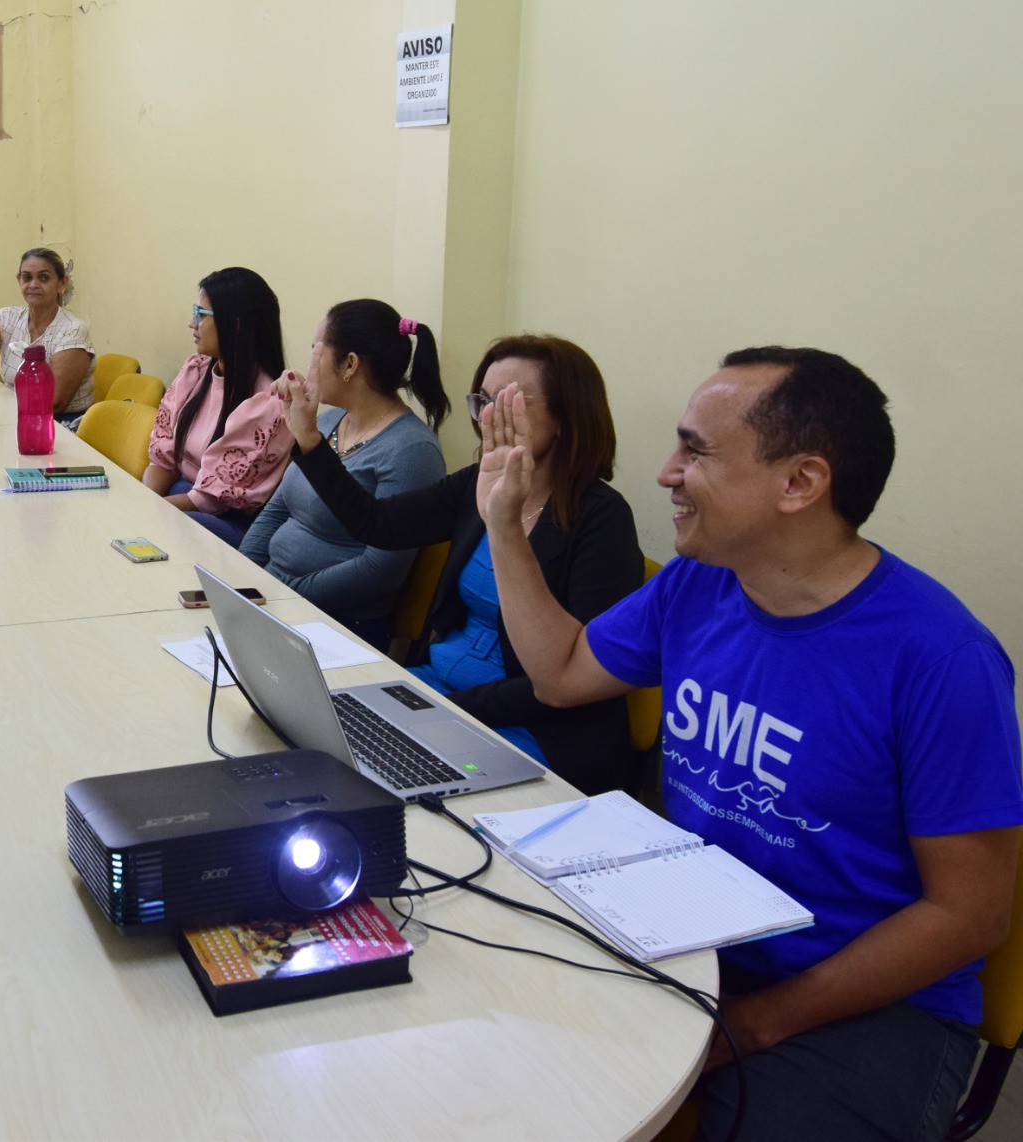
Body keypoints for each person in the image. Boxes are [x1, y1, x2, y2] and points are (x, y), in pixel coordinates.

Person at [478, 346, 1023, 1140]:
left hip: (858, 999)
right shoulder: (701, 582)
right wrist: (505, 529)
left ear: (801, 483)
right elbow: (561, 673)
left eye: (695, 450)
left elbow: (968, 918)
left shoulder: (942, 661)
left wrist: (762, 1021)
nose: (666, 471)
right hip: (694, 935)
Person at [274, 335, 641, 793]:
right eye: (482, 401)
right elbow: (378, 524)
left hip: (535, 729)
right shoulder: (480, 481)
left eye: (507, 402)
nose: (488, 417)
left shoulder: (603, 520)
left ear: (568, 415)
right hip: (440, 692)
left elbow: (577, 676)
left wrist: (449, 707)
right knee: (308, 743)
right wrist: (309, 437)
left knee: (372, 790)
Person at [240, 300, 448, 646]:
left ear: (349, 364)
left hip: (339, 623)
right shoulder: (326, 421)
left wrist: (281, 596)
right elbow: (277, 509)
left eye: (314, 349)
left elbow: (378, 572)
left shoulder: (412, 451)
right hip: (272, 597)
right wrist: (242, 577)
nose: (307, 364)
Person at [145, 267, 293, 546]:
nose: (192, 323)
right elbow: (163, 456)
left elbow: (210, 498)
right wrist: (145, 501)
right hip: (177, 499)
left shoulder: (267, 403)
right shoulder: (196, 371)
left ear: (235, 324)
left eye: (201, 315)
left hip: (220, 520)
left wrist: (150, 512)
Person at [0, 247, 96, 418]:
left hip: (59, 424)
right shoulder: (7, 318)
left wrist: (0, 414)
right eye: (26, 277)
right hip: (16, 414)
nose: (33, 284)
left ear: (62, 283)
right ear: (19, 281)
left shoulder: (73, 330)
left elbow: (54, 402)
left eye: (44, 278)